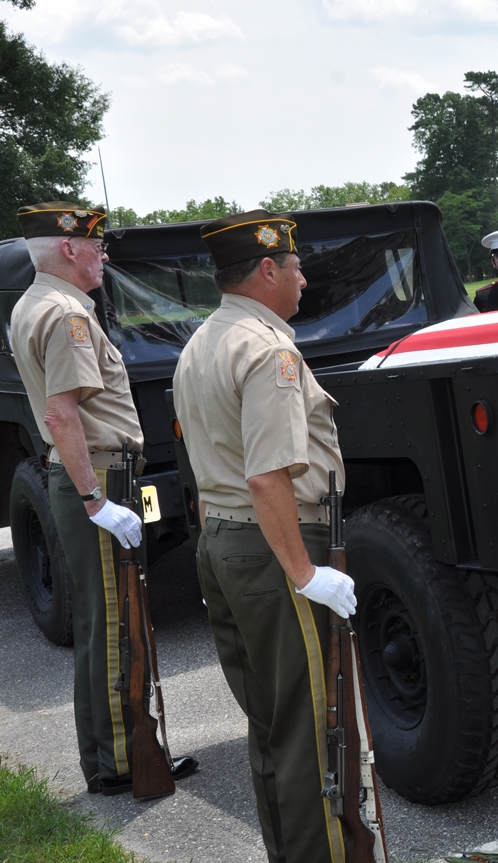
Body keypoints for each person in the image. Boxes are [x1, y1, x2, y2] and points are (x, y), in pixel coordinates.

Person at [173, 210, 356, 863]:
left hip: (225, 542)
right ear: (269, 268)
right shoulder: (268, 350)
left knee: (273, 721)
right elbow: (267, 476)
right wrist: (306, 573)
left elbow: (209, 462)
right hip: (276, 547)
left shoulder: (201, 343)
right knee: (309, 726)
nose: (304, 280)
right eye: (297, 267)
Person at [10, 202, 198, 795]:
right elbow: (61, 414)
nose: (104, 255)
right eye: (97, 246)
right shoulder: (67, 314)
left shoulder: (33, 303)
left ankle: (106, 755)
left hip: (90, 474)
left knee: (100, 620)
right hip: (98, 475)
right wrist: (96, 499)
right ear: (69, 249)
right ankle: (121, 760)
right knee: (116, 621)